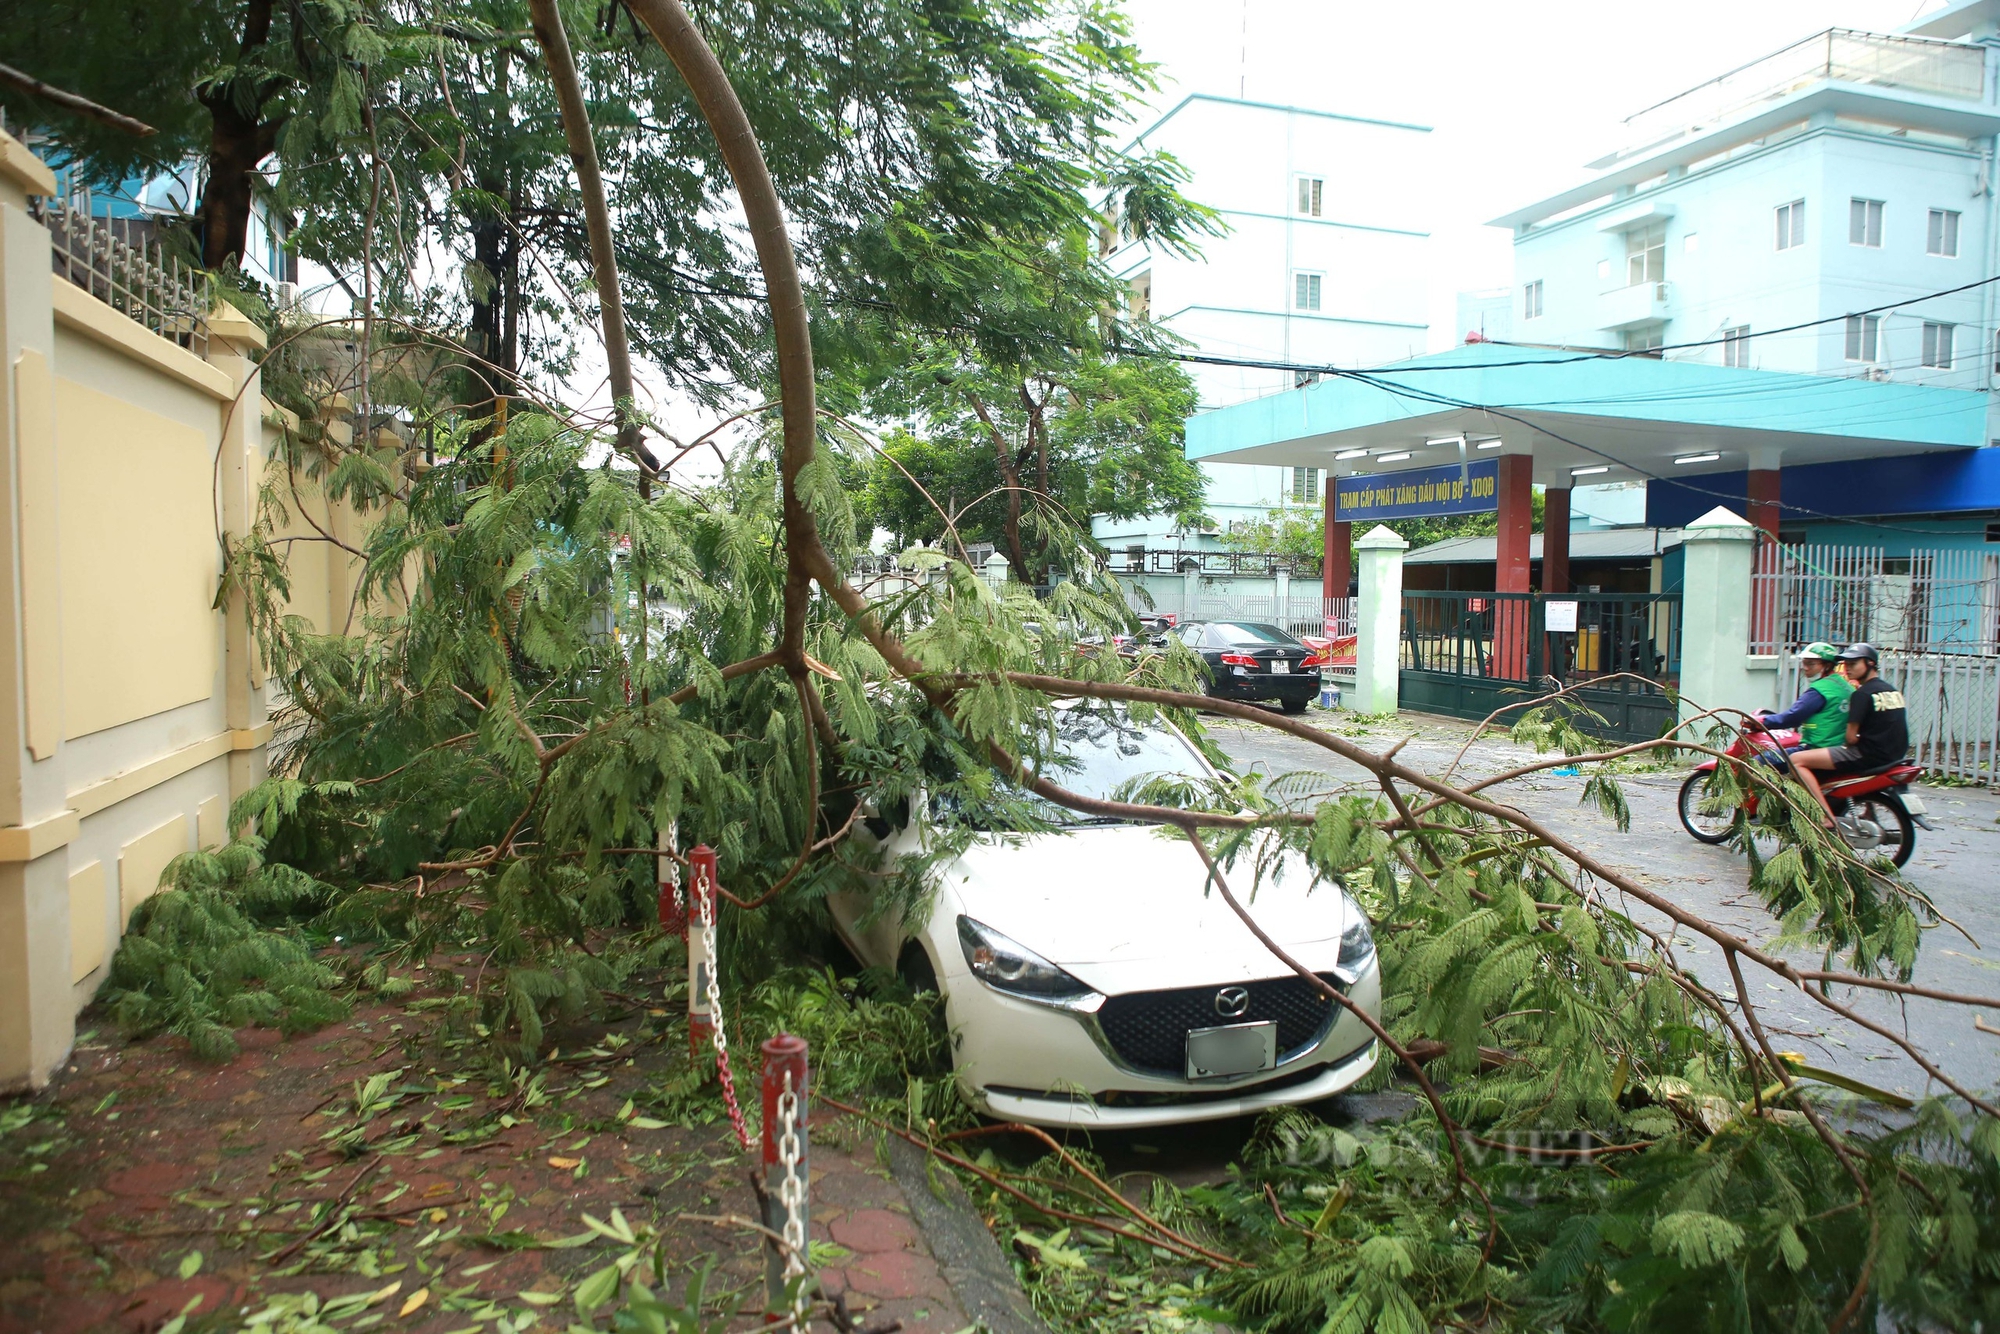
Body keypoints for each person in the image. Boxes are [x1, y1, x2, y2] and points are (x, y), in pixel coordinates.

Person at [1788, 643, 1909, 827]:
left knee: (1796, 759)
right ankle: (1869, 811)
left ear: (1869, 663)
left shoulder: (1862, 694)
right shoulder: (1891, 690)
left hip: (1866, 756)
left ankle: (1825, 815)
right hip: (1894, 755)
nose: (1847, 668)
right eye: (1846, 663)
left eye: (1853, 663)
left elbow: (1850, 738)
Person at [1753, 642, 1852, 767]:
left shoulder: (1819, 690)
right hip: (1838, 750)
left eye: (1811, 663)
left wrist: (1762, 721)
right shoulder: (1846, 687)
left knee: (1758, 762)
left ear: (1827, 665)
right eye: (1804, 663)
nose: (1805, 668)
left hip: (1817, 748)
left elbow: (1793, 717)